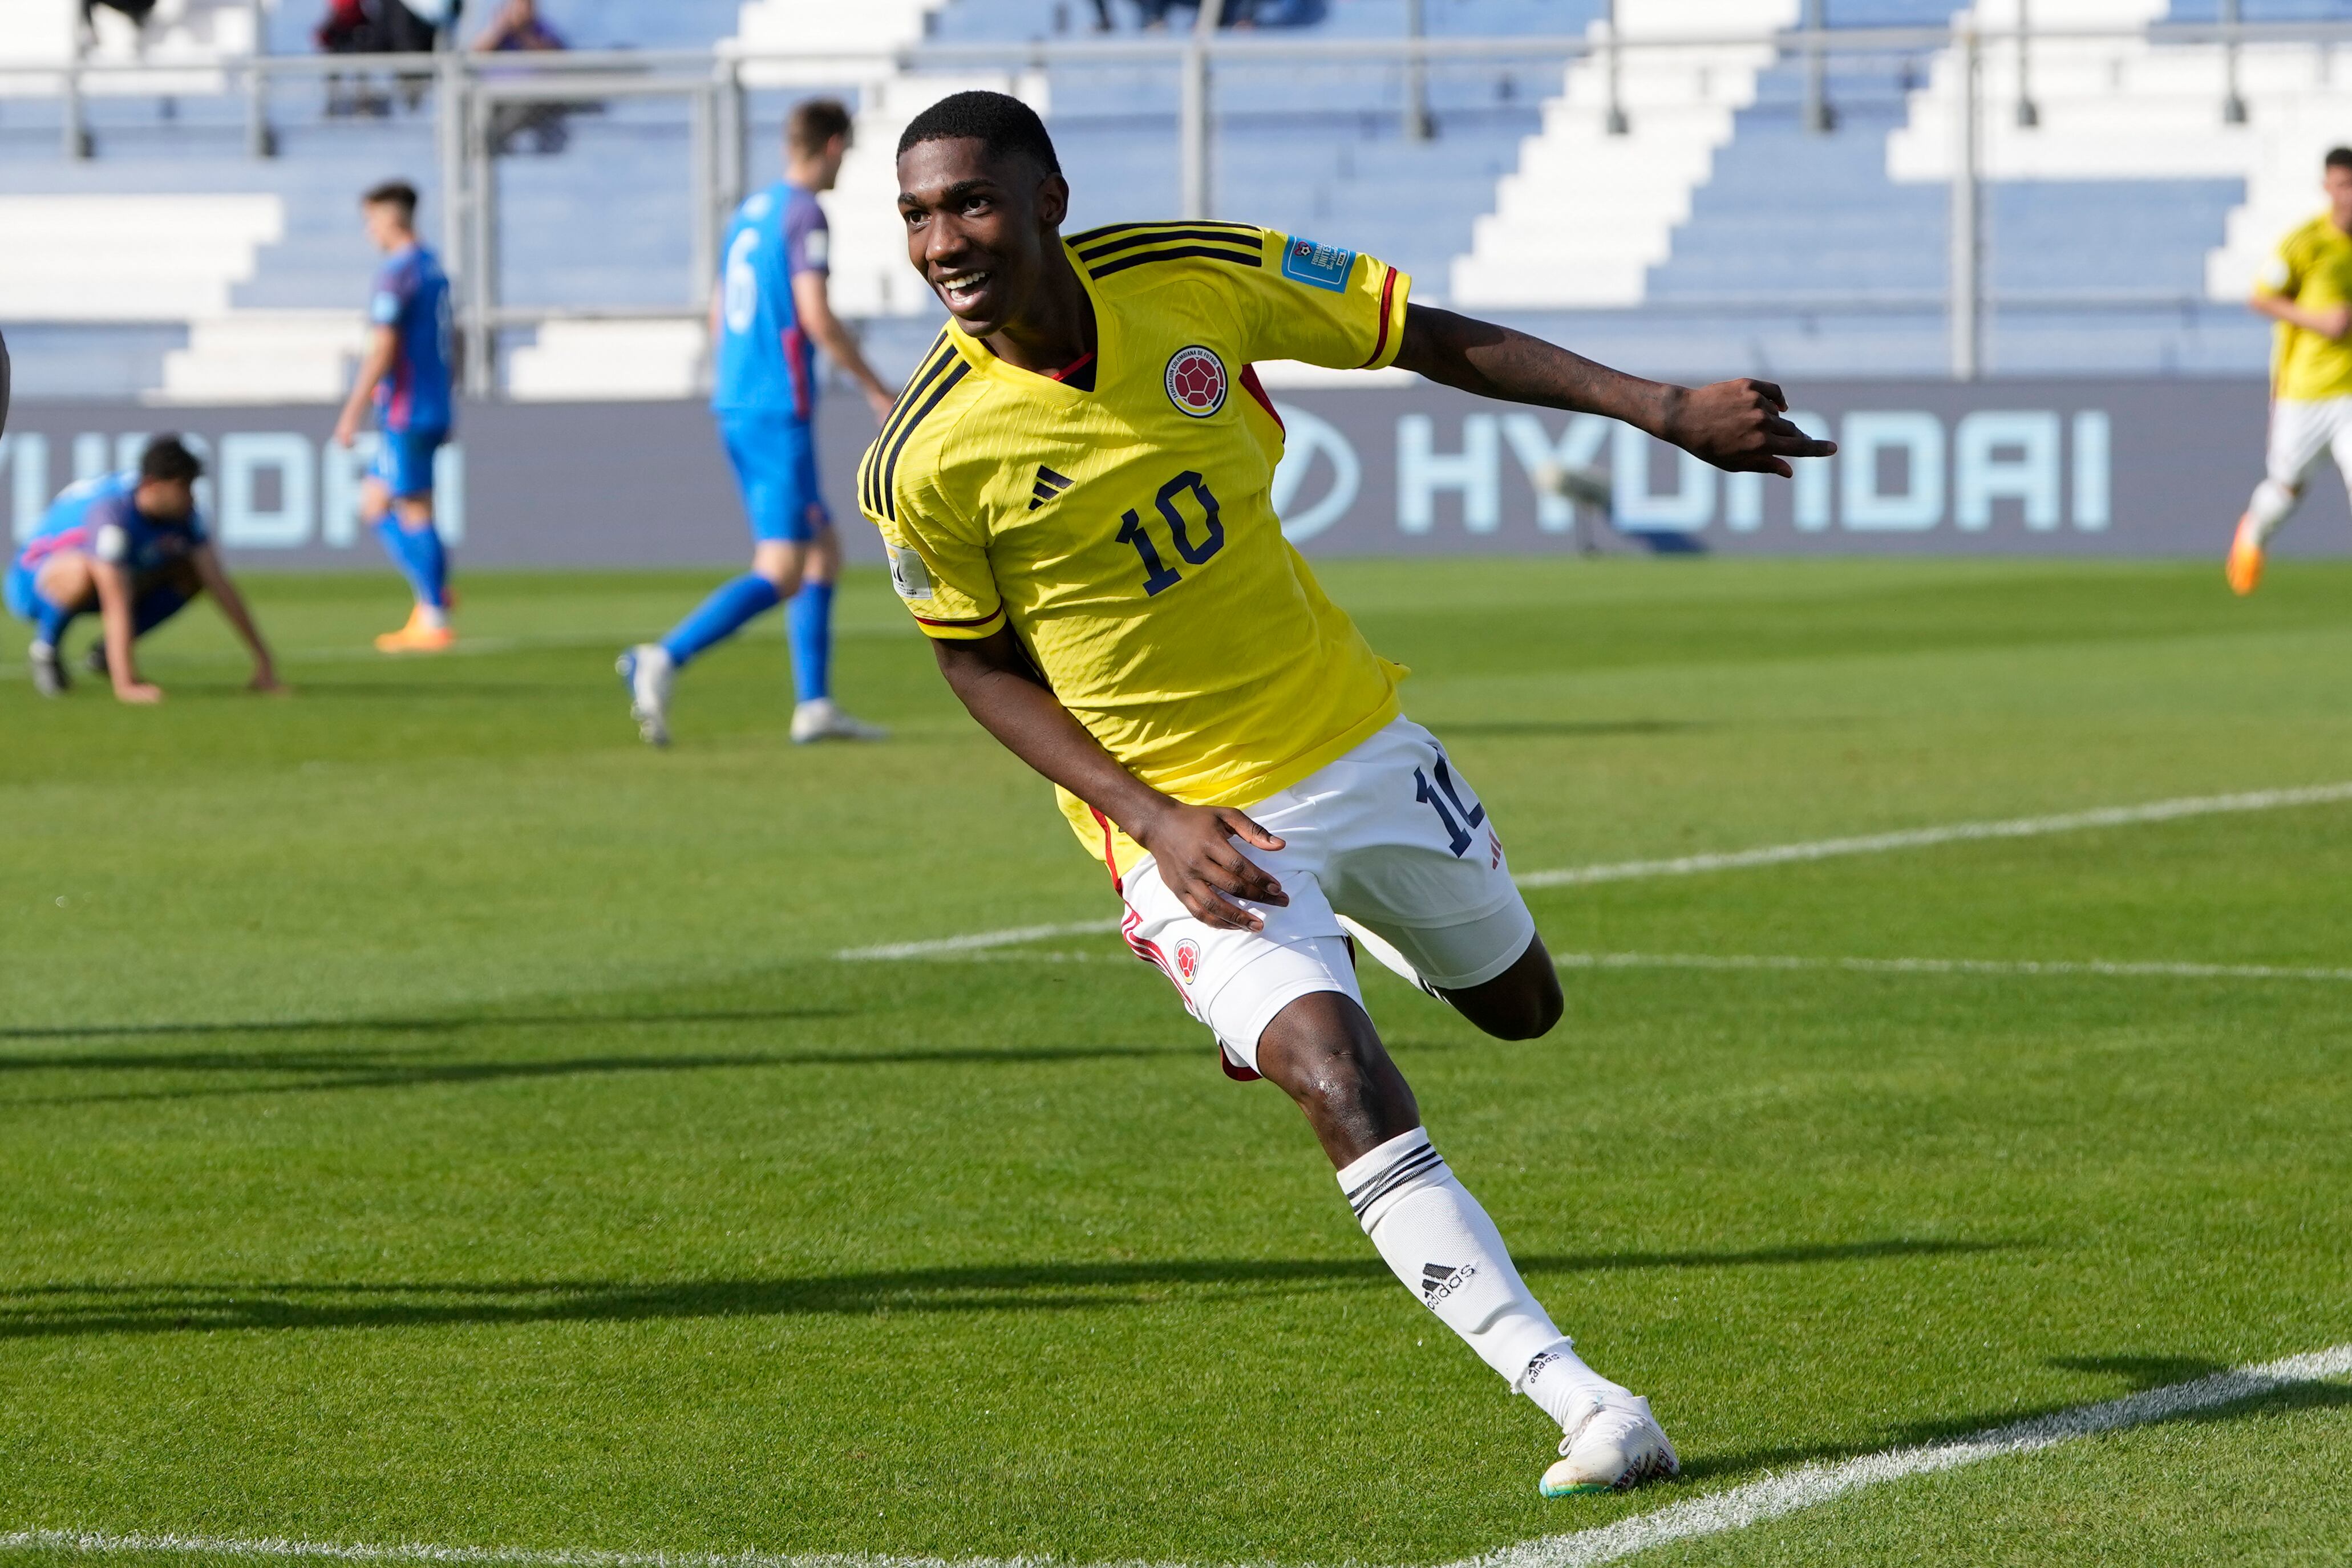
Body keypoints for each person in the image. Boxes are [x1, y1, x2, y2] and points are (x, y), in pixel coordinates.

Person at [862, 91, 1834, 1497]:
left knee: (1523, 1004)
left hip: (1354, 741)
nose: (945, 238)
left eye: (972, 202)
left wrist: (1661, 407)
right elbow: (976, 667)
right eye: (916, 213)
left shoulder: (1189, 270)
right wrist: (1151, 819)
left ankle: (1316, 951)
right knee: (1336, 1071)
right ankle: (1583, 1397)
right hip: (1191, 827)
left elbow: (1424, 338)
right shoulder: (922, 454)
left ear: (1049, 197)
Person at [620, 99, 897, 747]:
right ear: (831, 146)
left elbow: (721, 313)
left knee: (822, 549)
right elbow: (815, 315)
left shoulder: (749, 213)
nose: (843, 167)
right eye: (846, 154)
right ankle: (662, 657)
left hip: (738, 398)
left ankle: (815, 704)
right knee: (782, 567)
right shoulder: (805, 213)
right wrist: (877, 387)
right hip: (776, 407)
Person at [7, 436, 282, 702]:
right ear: (152, 485)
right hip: (31, 584)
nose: (189, 497)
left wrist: (263, 660)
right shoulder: (112, 512)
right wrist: (126, 684)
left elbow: (218, 583)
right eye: (182, 487)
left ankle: (106, 652)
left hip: (110, 578)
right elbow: (116, 600)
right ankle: (46, 649)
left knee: (191, 573)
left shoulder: (185, 515)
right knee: (85, 571)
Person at [334, 179, 459, 653]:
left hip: (404, 407)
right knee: (377, 502)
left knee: (410, 508)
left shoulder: (397, 273)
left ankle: (433, 611)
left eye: (371, 221)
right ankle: (434, 589)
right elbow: (456, 338)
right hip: (432, 402)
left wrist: (352, 412)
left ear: (391, 217)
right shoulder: (433, 268)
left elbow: (383, 346)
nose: (370, 232)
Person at [2229, 146, 2352, 595]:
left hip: (2350, 392)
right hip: (2305, 392)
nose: (2349, 195)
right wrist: (2318, 320)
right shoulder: (2305, 243)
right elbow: (2260, 298)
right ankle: (2252, 534)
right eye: (2341, 185)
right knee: (2287, 488)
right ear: (2327, 188)